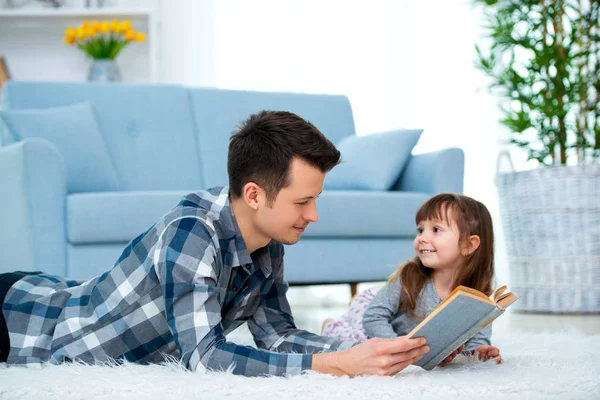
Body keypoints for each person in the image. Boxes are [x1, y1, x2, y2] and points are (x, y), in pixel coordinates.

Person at [0, 110, 429, 377]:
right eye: (303, 201)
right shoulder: (192, 232)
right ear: (256, 194)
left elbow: (277, 335)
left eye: (315, 200)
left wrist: (365, 353)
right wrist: (333, 365)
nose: (313, 215)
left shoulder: (268, 240)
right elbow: (203, 358)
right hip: (25, 322)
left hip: (56, 290)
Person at [322, 193, 502, 367]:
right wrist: (396, 346)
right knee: (354, 342)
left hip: (388, 305)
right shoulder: (410, 275)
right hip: (374, 310)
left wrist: (480, 350)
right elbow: (373, 317)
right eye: (420, 230)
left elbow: (476, 337)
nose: (422, 238)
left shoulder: (478, 297)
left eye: (436, 230)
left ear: (468, 245)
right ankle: (333, 320)